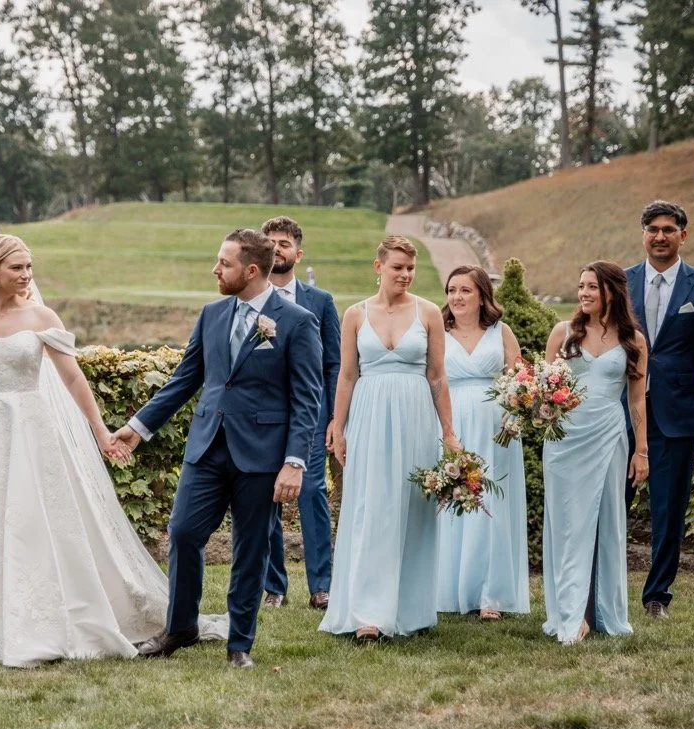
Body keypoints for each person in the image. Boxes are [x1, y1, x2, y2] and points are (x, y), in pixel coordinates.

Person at [0, 234, 226, 667]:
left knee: (30, 517)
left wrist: (102, 431)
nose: (26, 275)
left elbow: (72, 379)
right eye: (17, 268)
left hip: (30, 426)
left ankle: (38, 617)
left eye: (29, 267)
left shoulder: (41, 315)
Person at [114, 229, 323, 669]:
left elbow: (308, 399)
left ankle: (239, 644)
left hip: (263, 454)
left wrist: (294, 462)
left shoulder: (298, 322)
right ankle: (181, 627)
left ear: (249, 270)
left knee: (251, 548)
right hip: (207, 447)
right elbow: (185, 380)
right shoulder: (211, 314)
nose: (215, 269)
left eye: (223, 264)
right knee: (185, 532)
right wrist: (137, 427)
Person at [320, 236, 459, 641]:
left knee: (411, 507)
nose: (405, 275)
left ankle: (409, 609)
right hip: (369, 415)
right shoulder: (355, 314)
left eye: (410, 268)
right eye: (397, 267)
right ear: (378, 267)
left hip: (415, 417)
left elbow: (437, 376)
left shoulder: (429, 312)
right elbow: (347, 375)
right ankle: (366, 613)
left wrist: (449, 433)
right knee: (370, 507)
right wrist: (338, 426)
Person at [625, 200, 694, 619]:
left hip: (678, 415)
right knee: (612, 502)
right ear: (643, 233)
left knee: (669, 510)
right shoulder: (620, 281)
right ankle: (603, 589)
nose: (660, 236)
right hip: (621, 413)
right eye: (652, 228)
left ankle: (656, 597)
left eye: (669, 229)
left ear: (683, 235)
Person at [543, 261, 647, 644]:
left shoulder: (633, 340)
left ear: (611, 292)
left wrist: (643, 451)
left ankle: (599, 611)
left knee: (605, 523)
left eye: (592, 287)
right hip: (564, 439)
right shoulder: (563, 332)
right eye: (581, 286)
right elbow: (541, 387)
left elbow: (637, 401)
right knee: (568, 523)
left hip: (608, 436)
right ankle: (569, 613)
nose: (584, 293)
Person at [435, 266, 528, 620]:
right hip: (451, 424)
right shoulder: (438, 332)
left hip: (496, 430)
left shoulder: (501, 332)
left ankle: (491, 593)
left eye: (465, 290)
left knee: (492, 506)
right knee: (454, 502)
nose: (456, 297)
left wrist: (515, 417)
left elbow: (521, 382)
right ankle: (449, 588)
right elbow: (430, 379)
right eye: (452, 289)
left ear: (482, 295)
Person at [259, 216, 340, 610]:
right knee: (266, 496)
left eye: (284, 243)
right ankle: (275, 586)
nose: (277, 248)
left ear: (298, 252)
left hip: (311, 415)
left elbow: (333, 364)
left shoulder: (320, 302)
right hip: (265, 415)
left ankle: (321, 585)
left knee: (311, 493)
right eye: (270, 241)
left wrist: (334, 417)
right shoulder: (250, 300)